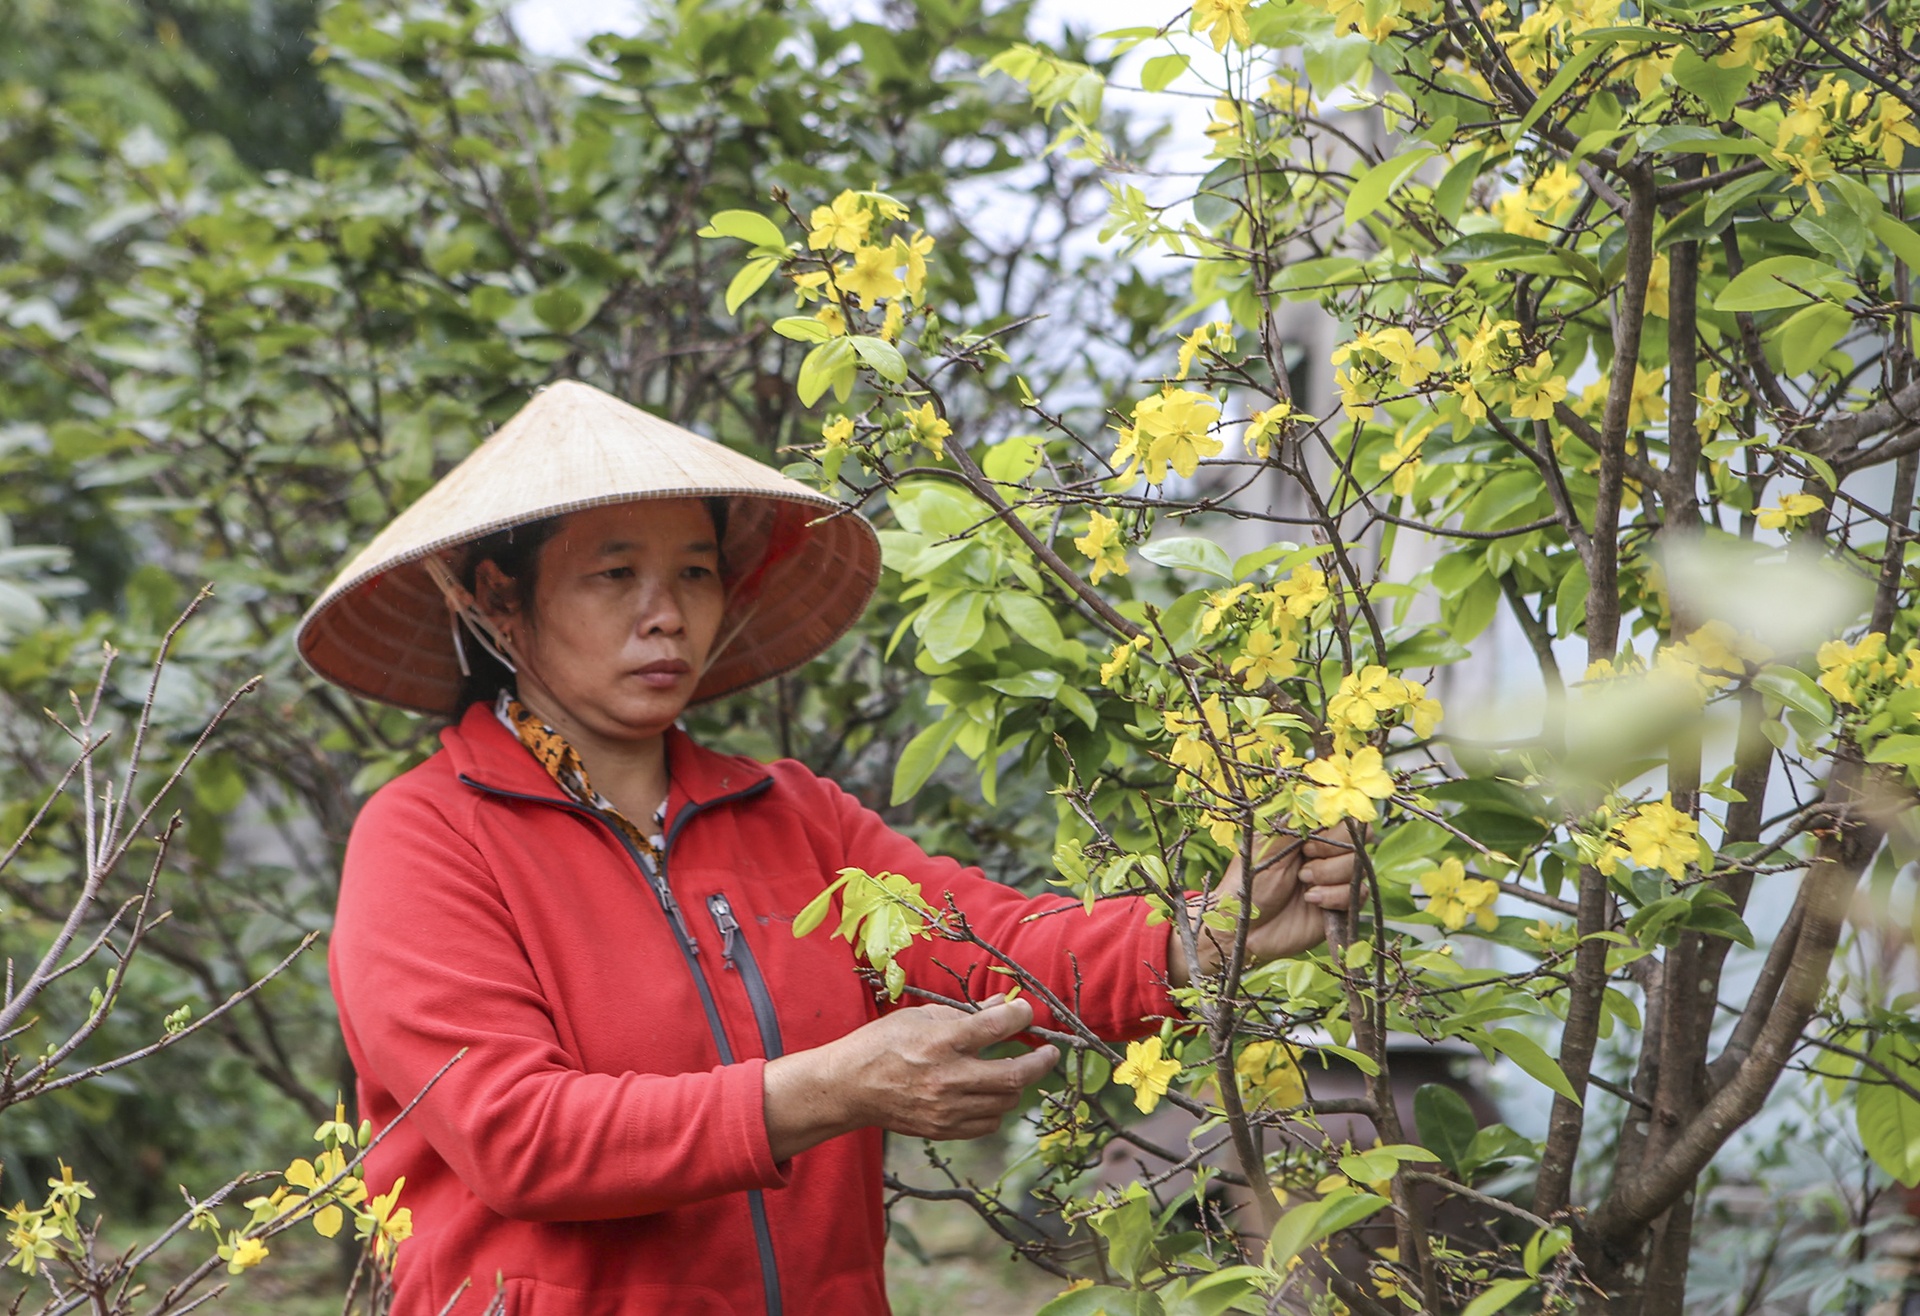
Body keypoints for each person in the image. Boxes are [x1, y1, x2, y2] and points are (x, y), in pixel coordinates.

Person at [301, 381, 1359, 1316]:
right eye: (612, 574)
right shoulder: (426, 835)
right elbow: (517, 1135)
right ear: (496, 594)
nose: (665, 614)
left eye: (696, 571)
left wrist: (1210, 932)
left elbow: (990, 943)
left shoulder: (789, 816)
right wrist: (822, 1090)